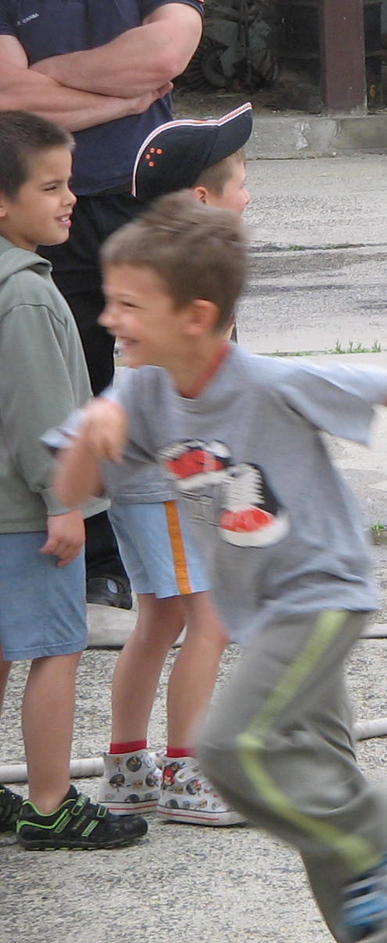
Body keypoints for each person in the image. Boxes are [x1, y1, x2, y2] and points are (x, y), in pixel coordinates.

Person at [52, 195, 387, 942]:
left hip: (322, 595)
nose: (110, 318)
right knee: (319, 782)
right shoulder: (138, 393)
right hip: (266, 614)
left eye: (129, 305)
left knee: (233, 751)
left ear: (197, 317)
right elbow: (74, 491)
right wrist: (92, 437)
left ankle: (375, 844)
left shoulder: (269, 382)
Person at [1, 0, 204, 609]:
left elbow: (164, 56)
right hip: (56, 217)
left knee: (170, 376)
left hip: (146, 205)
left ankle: (211, 535)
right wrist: (118, 89)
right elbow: (9, 97)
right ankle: (99, 557)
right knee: (78, 384)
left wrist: (54, 80)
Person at [96, 105, 255, 826]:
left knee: (158, 617)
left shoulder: (153, 268)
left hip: (138, 476)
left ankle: (129, 765)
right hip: (171, 477)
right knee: (209, 618)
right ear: (203, 199)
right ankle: (189, 774)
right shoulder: (198, 285)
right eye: (242, 181)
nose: (248, 194)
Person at [0, 110, 144, 849]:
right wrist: (65, 506)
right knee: (56, 650)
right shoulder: (24, 292)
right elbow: (36, 419)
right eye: (51, 186)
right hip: (28, 514)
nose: (70, 199)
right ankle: (51, 803)